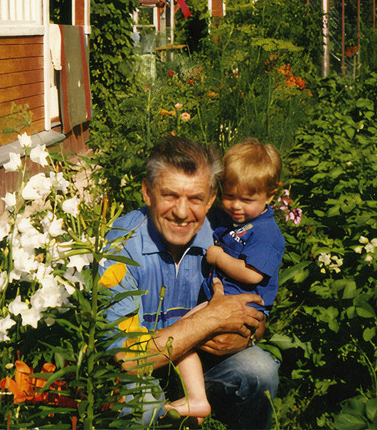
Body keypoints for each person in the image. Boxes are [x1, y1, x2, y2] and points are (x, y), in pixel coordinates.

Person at [102, 136, 280, 429]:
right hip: (137, 375)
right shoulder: (119, 246)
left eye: (196, 199)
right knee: (141, 407)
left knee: (260, 371)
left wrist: (247, 334)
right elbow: (128, 358)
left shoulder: (222, 237)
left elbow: (257, 308)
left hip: (199, 366)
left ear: (211, 199)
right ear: (148, 192)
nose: (182, 213)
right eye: (170, 195)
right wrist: (211, 320)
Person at [165, 138, 285, 422]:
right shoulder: (225, 218)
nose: (235, 206)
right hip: (220, 302)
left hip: (241, 309)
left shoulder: (266, 233)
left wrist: (218, 258)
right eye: (229, 196)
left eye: (247, 199)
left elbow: (253, 274)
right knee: (184, 336)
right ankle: (193, 397)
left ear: (270, 196)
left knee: (181, 334)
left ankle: (196, 399)